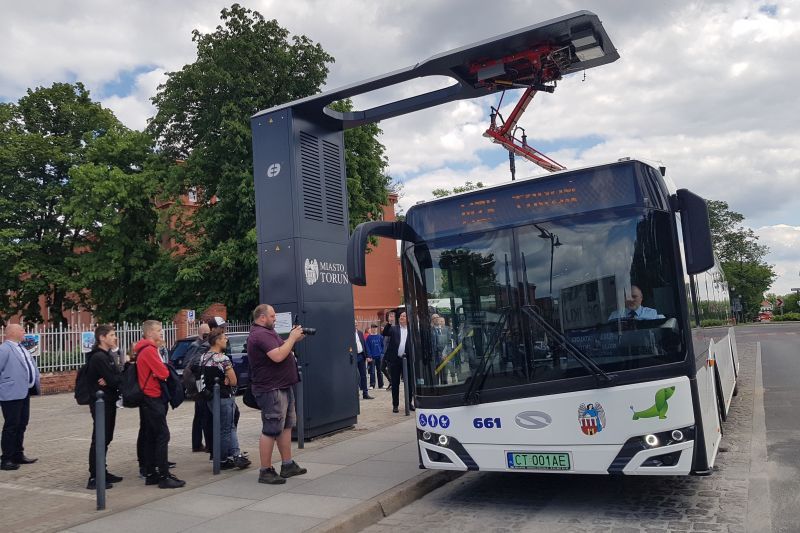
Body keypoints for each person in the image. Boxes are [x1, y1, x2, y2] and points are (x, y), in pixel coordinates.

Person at [247, 304, 308, 485]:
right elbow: (278, 356)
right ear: (262, 317)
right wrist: (292, 338)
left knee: (287, 425)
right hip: (271, 389)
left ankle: (287, 464)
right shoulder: (259, 335)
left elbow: (283, 348)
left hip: (283, 386)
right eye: (272, 316)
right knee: (271, 428)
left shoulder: (268, 332)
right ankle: (265, 470)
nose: (275, 319)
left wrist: (293, 340)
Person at [135, 320, 185, 489]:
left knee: (151, 436)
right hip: (153, 397)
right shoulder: (149, 350)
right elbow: (163, 372)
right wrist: (162, 372)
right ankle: (163, 475)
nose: (161, 333)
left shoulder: (143, 349)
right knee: (163, 435)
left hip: (148, 398)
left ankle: (151, 473)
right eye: (158, 330)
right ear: (149, 333)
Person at [201, 328, 250, 470]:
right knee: (227, 428)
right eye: (224, 338)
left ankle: (233, 455)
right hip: (224, 397)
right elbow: (234, 380)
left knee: (222, 427)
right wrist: (228, 379)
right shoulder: (222, 358)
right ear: (217, 341)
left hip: (210, 397)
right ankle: (224, 459)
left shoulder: (204, 357)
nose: (226, 340)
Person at [85, 325, 123, 489]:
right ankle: (95, 476)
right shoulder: (98, 357)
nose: (115, 338)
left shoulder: (106, 355)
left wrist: (114, 376)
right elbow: (115, 379)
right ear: (102, 337)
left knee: (106, 437)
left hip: (108, 400)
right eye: (112, 335)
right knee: (100, 438)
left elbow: (115, 377)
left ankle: (102, 470)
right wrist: (113, 378)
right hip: (101, 402)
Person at [0, 324, 40, 471]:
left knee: (22, 424)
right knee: (11, 426)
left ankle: (18, 454)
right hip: (10, 393)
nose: (24, 332)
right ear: (12, 332)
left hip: (24, 392)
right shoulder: (4, 349)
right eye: (22, 330)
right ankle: (6, 459)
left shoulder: (21, 348)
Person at [187, 322, 211, 453]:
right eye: (208, 333)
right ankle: (202, 444)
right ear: (203, 334)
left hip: (198, 384)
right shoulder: (196, 346)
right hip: (198, 385)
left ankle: (197, 444)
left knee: (200, 415)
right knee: (202, 415)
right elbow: (190, 364)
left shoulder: (199, 345)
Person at [384, 311, 415, 413]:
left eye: (404, 316)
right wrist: (389, 323)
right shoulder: (394, 329)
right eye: (401, 316)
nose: (402, 317)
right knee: (395, 383)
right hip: (395, 360)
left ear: (408, 319)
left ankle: (409, 403)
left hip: (408, 361)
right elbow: (385, 333)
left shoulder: (412, 330)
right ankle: (395, 405)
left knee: (409, 383)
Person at [355, 320, 373, 400]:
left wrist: (368, 356)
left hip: (361, 356)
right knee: (355, 376)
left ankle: (365, 393)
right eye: (354, 323)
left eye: (356, 323)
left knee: (363, 375)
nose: (355, 324)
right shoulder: (347, 334)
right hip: (353, 357)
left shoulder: (360, 333)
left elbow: (364, 345)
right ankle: (356, 394)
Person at [365, 324, 384, 389]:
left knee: (380, 371)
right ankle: (372, 385)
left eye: (375, 328)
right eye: (373, 328)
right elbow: (367, 347)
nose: (374, 329)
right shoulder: (369, 338)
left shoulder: (380, 337)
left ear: (376, 329)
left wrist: (382, 353)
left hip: (379, 356)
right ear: (371, 329)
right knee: (372, 371)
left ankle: (381, 385)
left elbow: (383, 345)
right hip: (372, 357)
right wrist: (368, 356)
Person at [381, 310, 395, 390]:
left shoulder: (392, 330)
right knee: (382, 368)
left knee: (390, 369)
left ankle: (393, 384)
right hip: (385, 353)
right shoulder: (385, 333)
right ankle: (391, 381)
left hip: (390, 354)